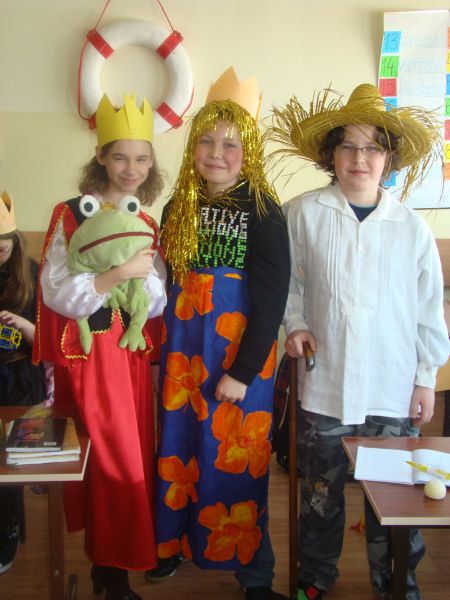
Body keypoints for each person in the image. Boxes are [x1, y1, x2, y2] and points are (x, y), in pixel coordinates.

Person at [268, 83, 450, 600]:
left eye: (372, 147)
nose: (359, 158)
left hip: (392, 387)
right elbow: (287, 284)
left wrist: (425, 378)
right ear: (331, 155)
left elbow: (427, 309)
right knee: (319, 493)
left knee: (392, 497)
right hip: (325, 384)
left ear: (388, 158)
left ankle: (394, 579)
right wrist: (295, 325)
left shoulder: (410, 228)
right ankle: (315, 576)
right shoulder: (302, 213)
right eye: (348, 146)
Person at [147, 68, 290, 600]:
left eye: (230, 144)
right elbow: (164, 284)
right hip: (183, 357)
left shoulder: (265, 210)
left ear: (248, 151)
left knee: (237, 462)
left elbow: (271, 300)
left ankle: (254, 572)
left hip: (239, 360)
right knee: (179, 450)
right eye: (207, 141)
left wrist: (243, 372)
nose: (216, 153)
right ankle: (171, 546)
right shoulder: (177, 206)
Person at [32, 94, 167, 600]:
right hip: (90, 358)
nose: (131, 169)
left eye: (142, 158)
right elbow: (56, 291)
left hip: (128, 357)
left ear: (151, 163)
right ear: (101, 158)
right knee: (111, 460)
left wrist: (141, 279)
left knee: (131, 456)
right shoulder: (70, 215)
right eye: (120, 157)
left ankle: (109, 567)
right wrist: (116, 274)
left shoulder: (145, 222)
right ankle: (113, 570)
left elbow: (155, 301)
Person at [0, 191, 48, 573]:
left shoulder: (32, 274)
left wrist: (24, 325)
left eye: (4, 241)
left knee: (10, 463)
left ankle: (9, 528)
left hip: (20, 380)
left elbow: (48, 343)